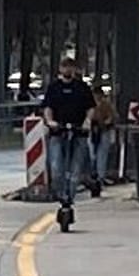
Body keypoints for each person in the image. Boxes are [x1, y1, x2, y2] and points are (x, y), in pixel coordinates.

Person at [41, 57, 96, 202]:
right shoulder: (54, 88)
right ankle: (60, 194)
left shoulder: (82, 87)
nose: (68, 70)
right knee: (56, 166)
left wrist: (87, 121)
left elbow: (90, 107)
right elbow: (48, 107)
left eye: (70, 67)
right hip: (58, 132)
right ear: (60, 69)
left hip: (79, 132)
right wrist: (50, 121)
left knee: (76, 167)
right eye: (65, 67)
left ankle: (70, 195)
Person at [88, 85, 116, 193]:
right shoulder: (90, 105)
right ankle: (94, 175)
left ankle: (100, 177)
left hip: (103, 131)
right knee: (93, 155)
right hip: (92, 131)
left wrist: (105, 123)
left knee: (101, 155)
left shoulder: (106, 105)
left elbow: (111, 116)